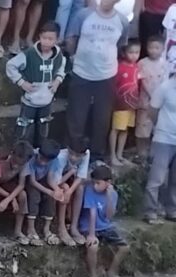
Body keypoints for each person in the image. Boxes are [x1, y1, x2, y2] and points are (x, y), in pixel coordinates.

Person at [68, 0, 130, 162]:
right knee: (77, 116)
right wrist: (73, 57)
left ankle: (96, 157)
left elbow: (122, 44)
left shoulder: (122, 21)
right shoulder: (84, 15)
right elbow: (71, 38)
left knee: (102, 118)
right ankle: (73, 153)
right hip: (82, 72)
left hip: (107, 75)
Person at [5, 21, 65, 149]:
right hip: (30, 101)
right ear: (39, 37)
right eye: (44, 38)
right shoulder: (29, 54)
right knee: (24, 130)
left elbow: (61, 68)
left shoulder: (58, 55)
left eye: (50, 39)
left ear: (57, 40)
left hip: (47, 101)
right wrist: (21, 82)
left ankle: (39, 152)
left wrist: (57, 81)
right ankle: (19, 153)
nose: (47, 42)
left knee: (43, 131)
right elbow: (11, 66)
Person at [80, 164, 128, 277]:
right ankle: (92, 275)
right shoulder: (90, 190)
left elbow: (109, 216)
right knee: (93, 246)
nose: (95, 186)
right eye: (94, 182)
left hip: (105, 226)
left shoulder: (113, 194)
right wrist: (91, 234)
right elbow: (92, 213)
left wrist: (109, 197)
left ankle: (112, 272)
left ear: (108, 183)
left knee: (125, 247)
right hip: (90, 226)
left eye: (98, 183)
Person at [144, 71, 176, 224]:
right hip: (164, 138)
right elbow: (152, 111)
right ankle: (150, 211)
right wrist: (161, 127)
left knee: (175, 179)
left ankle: (172, 210)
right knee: (157, 178)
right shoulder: (165, 88)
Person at [49, 138, 91, 244]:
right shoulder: (60, 157)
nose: (74, 158)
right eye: (71, 154)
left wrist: (71, 191)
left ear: (83, 155)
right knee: (65, 188)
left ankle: (74, 227)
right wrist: (68, 190)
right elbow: (56, 182)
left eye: (77, 156)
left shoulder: (86, 154)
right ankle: (61, 228)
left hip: (70, 176)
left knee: (80, 189)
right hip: (56, 180)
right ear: (68, 149)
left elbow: (81, 176)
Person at [19, 138, 59, 245]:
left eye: (46, 161)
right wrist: (47, 191)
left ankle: (46, 230)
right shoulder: (32, 157)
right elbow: (32, 181)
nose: (42, 162)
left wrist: (56, 190)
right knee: (34, 195)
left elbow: (50, 179)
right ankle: (31, 229)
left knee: (51, 197)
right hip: (32, 183)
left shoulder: (54, 161)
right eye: (41, 158)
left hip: (44, 181)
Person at [110, 39, 142, 166]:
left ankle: (120, 154)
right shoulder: (119, 67)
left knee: (125, 130)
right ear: (124, 52)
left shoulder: (137, 67)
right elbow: (114, 85)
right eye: (131, 52)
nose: (134, 55)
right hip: (120, 105)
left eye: (137, 52)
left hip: (132, 104)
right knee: (116, 129)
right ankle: (112, 155)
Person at [137, 35, 167, 160]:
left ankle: (152, 153)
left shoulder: (164, 63)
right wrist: (152, 95)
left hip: (160, 103)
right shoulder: (142, 63)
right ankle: (140, 152)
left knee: (156, 128)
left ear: (162, 49)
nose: (154, 50)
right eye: (151, 47)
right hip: (145, 101)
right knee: (142, 127)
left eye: (157, 48)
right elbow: (141, 80)